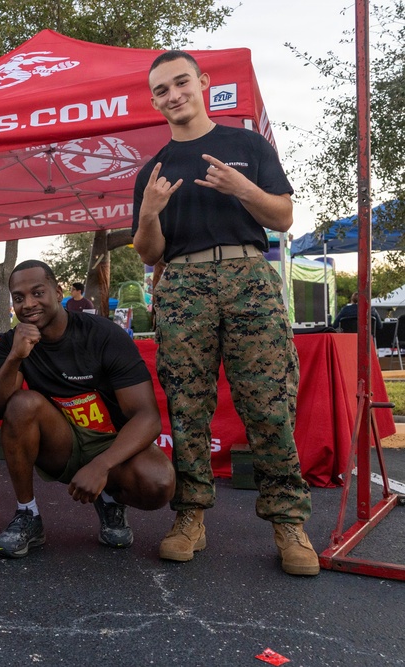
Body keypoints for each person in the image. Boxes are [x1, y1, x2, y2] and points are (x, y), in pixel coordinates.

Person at [132, 50, 319, 576]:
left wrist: (244, 189)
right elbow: (149, 253)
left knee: (267, 404)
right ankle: (190, 516)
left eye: (181, 83)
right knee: (188, 407)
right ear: (154, 101)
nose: (174, 95)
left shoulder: (245, 145)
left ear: (203, 83)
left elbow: (282, 215)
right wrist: (148, 215)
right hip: (183, 283)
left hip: (248, 277)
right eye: (162, 90)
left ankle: (288, 522)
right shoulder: (155, 170)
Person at [0, 260, 175, 558]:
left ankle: (110, 498)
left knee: (159, 482)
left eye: (38, 293)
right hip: (62, 445)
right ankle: (28, 515)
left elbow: (147, 418)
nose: (29, 304)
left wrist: (102, 466)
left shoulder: (102, 334)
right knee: (22, 404)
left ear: (58, 291)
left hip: (111, 442)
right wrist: (14, 358)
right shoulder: (14, 343)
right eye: (19, 298)